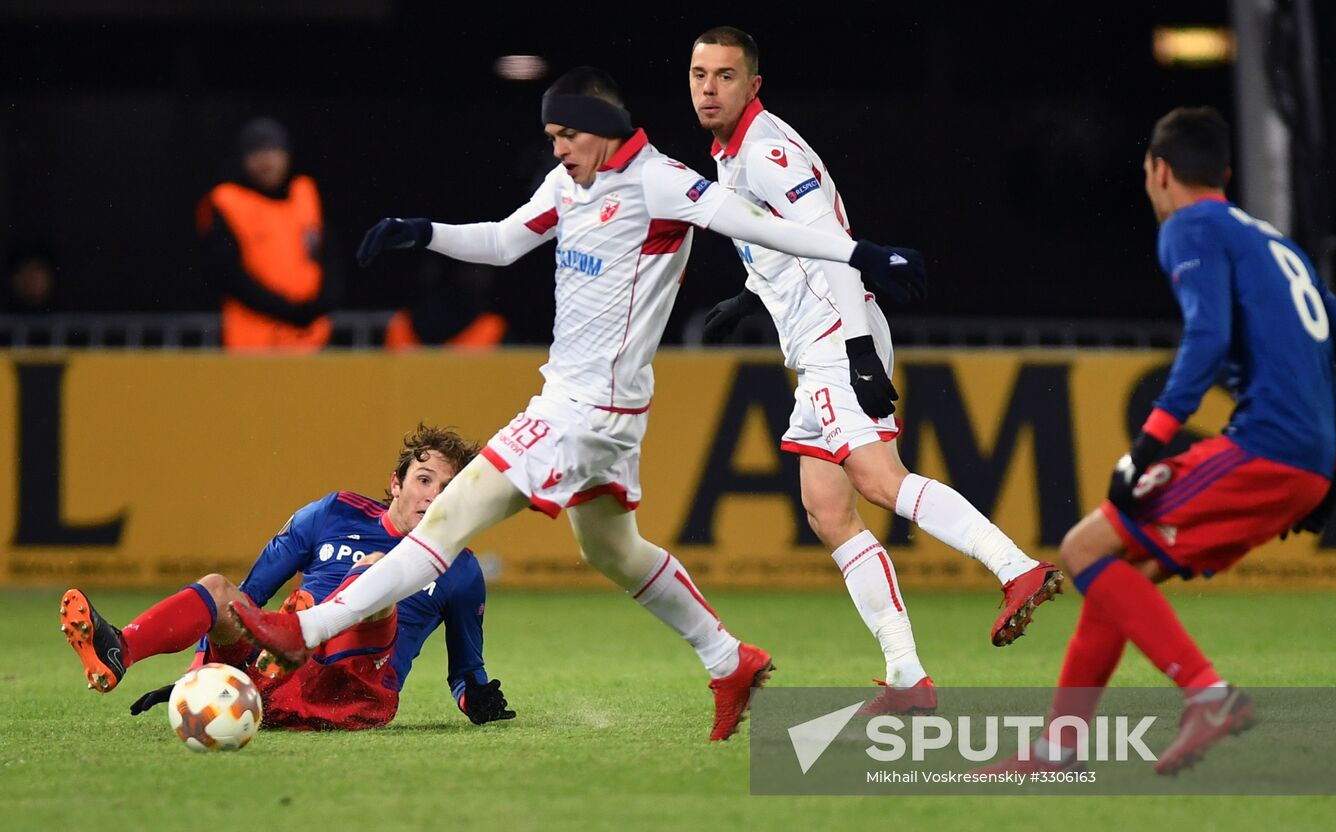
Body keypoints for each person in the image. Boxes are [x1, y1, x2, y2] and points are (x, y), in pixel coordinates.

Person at [232, 66, 927, 742]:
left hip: (583, 411)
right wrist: (425, 230)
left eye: (565, 133)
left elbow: (760, 222)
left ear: (600, 128)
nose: (556, 148)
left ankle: (306, 629)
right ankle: (728, 659)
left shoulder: (659, 179)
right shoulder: (568, 183)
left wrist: (860, 253)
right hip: (596, 412)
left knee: (446, 521)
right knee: (612, 548)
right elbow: (505, 242)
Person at [984, 107, 1336, 776]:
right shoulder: (1277, 243)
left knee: (1083, 548)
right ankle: (1059, 747)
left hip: (1265, 445)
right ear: (1224, 174)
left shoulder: (1189, 227)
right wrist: (1334, 473)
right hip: (1304, 460)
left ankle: (1209, 695)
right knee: (1120, 569)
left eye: (1147, 174)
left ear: (1161, 171)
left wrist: (1148, 443)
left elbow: (1208, 338)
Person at [689, 27, 1063, 713]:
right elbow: (786, 242)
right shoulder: (729, 154)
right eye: (699, 74)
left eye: (725, 75)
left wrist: (859, 350)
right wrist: (752, 297)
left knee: (878, 479)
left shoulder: (769, 150)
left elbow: (833, 245)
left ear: (753, 85)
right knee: (827, 510)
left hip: (838, 330)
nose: (709, 88)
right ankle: (906, 676)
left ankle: (1016, 566)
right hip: (816, 340)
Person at [59, 423, 514, 730]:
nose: (433, 497)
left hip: (353, 694)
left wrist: (475, 700)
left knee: (375, 572)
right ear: (396, 483)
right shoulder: (333, 511)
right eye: (424, 480)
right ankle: (122, 648)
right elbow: (250, 597)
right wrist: (199, 677)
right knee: (220, 590)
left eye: (448, 489)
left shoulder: (460, 565)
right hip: (274, 684)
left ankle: (305, 627)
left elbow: (466, 672)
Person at [196, 117, 335, 352]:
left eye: (274, 150)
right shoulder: (226, 201)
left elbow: (328, 255)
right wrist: (286, 310)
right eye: (257, 151)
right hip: (251, 344)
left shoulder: (305, 194)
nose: (267, 160)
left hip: (310, 338)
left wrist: (321, 304)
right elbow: (226, 273)